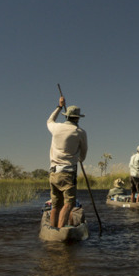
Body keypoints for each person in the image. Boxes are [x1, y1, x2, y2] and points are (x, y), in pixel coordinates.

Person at [46, 96, 87, 228]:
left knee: (56, 205)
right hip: (68, 173)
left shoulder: (56, 128)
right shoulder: (80, 132)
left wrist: (59, 106)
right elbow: (83, 153)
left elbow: (49, 120)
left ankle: (53, 231)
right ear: (78, 118)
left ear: (67, 117)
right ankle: (60, 231)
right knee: (68, 204)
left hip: (53, 173)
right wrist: (79, 159)